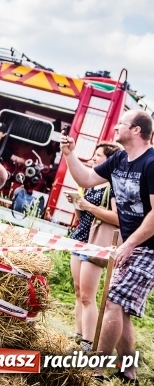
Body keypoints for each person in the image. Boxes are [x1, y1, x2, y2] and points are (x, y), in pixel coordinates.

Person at [61, 110, 154, 383]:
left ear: (136, 130)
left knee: (112, 302)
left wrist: (130, 244)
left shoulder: (151, 162)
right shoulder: (120, 159)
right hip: (131, 243)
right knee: (120, 307)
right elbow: (86, 180)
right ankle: (128, 371)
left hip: (148, 246)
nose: (115, 127)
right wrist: (69, 154)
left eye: (121, 124)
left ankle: (96, 370)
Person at [64, 142, 121, 352]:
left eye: (98, 156)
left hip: (95, 243)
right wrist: (78, 205)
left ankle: (89, 343)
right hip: (80, 237)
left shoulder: (114, 186)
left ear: (109, 161)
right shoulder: (91, 184)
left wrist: (89, 206)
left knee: (89, 296)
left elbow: (118, 219)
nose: (94, 158)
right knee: (79, 291)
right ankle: (79, 334)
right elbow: (85, 216)